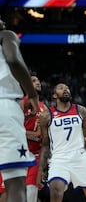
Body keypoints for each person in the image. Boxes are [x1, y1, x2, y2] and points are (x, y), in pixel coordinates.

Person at [36, 83, 86, 202]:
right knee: (55, 190)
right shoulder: (46, 115)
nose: (65, 89)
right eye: (61, 88)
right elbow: (45, 145)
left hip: (80, 156)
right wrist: (40, 170)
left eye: (67, 88)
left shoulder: (81, 110)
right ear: (55, 95)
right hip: (59, 158)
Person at [0, 17, 40, 202]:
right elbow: (13, 59)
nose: (3, 21)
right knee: (16, 184)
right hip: (4, 104)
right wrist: (31, 93)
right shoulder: (5, 35)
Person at [20, 74, 48, 202]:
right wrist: (35, 135)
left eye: (38, 80)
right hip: (19, 153)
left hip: (35, 157)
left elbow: (45, 139)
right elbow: (14, 131)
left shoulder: (44, 108)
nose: (38, 82)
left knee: (31, 195)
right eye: (33, 81)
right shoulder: (21, 104)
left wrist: (42, 168)